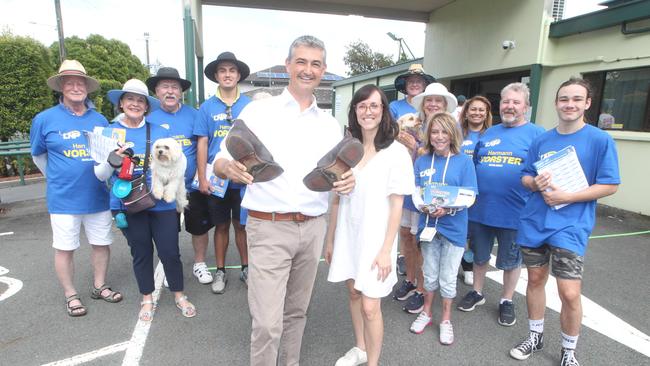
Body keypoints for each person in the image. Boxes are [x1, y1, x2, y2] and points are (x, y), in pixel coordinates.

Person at [213, 35, 355, 366]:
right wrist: (229, 168)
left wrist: (348, 181)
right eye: (301, 62)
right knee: (266, 322)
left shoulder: (331, 126)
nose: (308, 69)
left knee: (296, 313)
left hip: (312, 228)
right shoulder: (260, 111)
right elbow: (218, 161)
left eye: (316, 64)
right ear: (288, 65)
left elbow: (339, 178)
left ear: (323, 70)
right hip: (268, 227)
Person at [510, 78, 619, 366]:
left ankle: (568, 351)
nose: (569, 104)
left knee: (569, 292)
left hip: (571, 226)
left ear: (587, 104)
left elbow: (609, 185)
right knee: (534, 280)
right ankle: (535, 336)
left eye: (576, 99)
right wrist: (534, 182)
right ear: (556, 103)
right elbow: (524, 177)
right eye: (563, 99)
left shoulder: (599, 140)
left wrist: (568, 196)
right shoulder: (541, 140)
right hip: (535, 221)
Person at [325, 85, 414, 366]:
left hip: (377, 240)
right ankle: (360, 348)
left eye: (374, 106)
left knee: (370, 306)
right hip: (348, 235)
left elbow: (397, 204)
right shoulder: (346, 152)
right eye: (362, 106)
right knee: (353, 293)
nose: (368, 111)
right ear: (354, 111)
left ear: (384, 111)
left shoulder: (396, 152)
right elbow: (336, 198)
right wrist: (330, 240)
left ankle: (373, 362)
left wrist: (387, 250)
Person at [30, 59, 122, 317]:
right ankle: (71, 294)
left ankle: (99, 285)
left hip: (97, 196)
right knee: (65, 248)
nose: (75, 87)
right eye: (69, 82)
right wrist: (57, 178)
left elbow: (107, 157)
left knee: (101, 243)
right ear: (61, 86)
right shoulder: (44, 119)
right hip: (63, 199)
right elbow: (38, 156)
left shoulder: (100, 119)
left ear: (87, 87)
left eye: (79, 82)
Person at [105, 79, 195, 321]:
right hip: (129, 202)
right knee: (141, 251)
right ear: (121, 103)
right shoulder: (109, 132)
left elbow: (180, 163)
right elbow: (101, 174)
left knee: (170, 251)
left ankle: (179, 294)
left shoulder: (159, 131)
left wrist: (175, 186)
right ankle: (147, 297)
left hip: (162, 203)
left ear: (146, 106)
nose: (134, 104)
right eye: (129, 99)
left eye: (140, 100)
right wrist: (111, 160)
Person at [457, 83, 544, 327]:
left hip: (515, 213)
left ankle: (506, 300)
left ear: (526, 106)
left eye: (516, 102)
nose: (510, 106)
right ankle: (477, 291)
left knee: (510, 260)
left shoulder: (537, 134)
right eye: (506, 101)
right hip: (481, 210)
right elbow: (473, 165)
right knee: (480, 256)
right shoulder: (488, 133)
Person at [408, 112, 477, 345]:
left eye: (444, 131)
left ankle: (446, 319)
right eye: (434, 131)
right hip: (428, 228)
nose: (439, 136)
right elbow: (417, 192)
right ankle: (426, 312)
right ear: (428, 134)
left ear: (452, 134)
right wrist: (424, 207)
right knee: (429, 274)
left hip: (454, 229)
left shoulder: (464, 161)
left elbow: (470, 195)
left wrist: (447, 210)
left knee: (448, 277)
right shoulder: (422, 160)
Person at [393, 82, 457, 315]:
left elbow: (447, 155)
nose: (432, 104)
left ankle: (422, 289)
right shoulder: (411, 122)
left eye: (437, 101)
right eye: (429, 100)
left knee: (422, 242)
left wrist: (418, 146)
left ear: (444, 105)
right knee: (406, 238)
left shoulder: (448, 126)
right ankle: (410, 279)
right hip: (408, 189)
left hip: (432, 193)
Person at [194, 52, 252, 293]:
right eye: (222, 71)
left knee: (241, 226)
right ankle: (220, 271)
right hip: (217, 179)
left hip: (243, 178)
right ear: (216, 76)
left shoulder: (249, 105)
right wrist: (203, 178)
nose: (227, 74)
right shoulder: (206, 107)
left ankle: (246, 268)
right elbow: (202, 143)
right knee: (220, 226)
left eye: (232, 70)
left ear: (238, 75)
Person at [145, 67, 201, 287]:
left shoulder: (194, 115)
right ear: (157, 91)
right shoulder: (149, 118)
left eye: (174, 87)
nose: (170, 91)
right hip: (164, 185)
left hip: (192, 186)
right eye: (165, 87)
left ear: (181, 92)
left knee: (198, 227)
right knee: (168, 232)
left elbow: (202, 145)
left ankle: (199, 263)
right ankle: (169, 267)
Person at [388, 64, 434, 280]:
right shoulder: (395, 107)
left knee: (419, 234)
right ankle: (407, 269)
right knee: (404, 229)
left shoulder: (430, 108)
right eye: (411, 81)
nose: (415, 84)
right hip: (400, 170)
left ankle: (422, 282)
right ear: (405, 85)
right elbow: (387, 132)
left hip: (423, 175)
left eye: (419, 81)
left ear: (425, 85)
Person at [457, 96, 493, 286]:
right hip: (459, 191)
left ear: (487, 113)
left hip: (483, 192)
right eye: (473, 109)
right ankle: (459, 264)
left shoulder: (492, 135)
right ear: (466, 111)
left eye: (481, 110)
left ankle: (469, 267)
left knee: (476, 236)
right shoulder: (457, 132)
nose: (477, 113)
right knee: (460, 232)